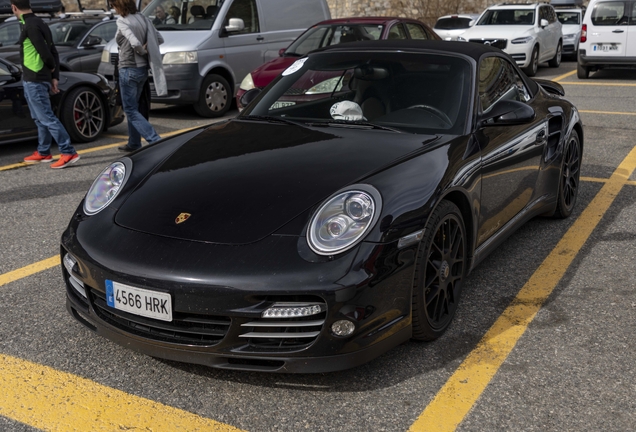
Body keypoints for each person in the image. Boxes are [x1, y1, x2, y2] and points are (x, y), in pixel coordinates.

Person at [12, 0, 80, 168]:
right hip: (34, 79)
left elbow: (46, 53)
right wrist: (54, 76)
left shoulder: (31, 26)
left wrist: (50, 69)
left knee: (47, 118)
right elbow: (53, 51)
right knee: (39, 118)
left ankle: (68, 151)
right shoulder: (38, 22)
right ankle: (43, 152)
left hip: (35, 79)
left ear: (14, 8)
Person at [110, 0, 167, 152]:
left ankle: (155, 140)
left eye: (113, 5)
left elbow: (134, 43)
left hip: (128, 69)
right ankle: (134, 143)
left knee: (130, 110)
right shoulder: (143, 18)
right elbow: (159, 39)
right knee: (133, 108)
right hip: (142, 70)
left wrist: (142, 50)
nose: (112, 8)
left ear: (120, 6)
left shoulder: (122, 21)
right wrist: (147, 49)